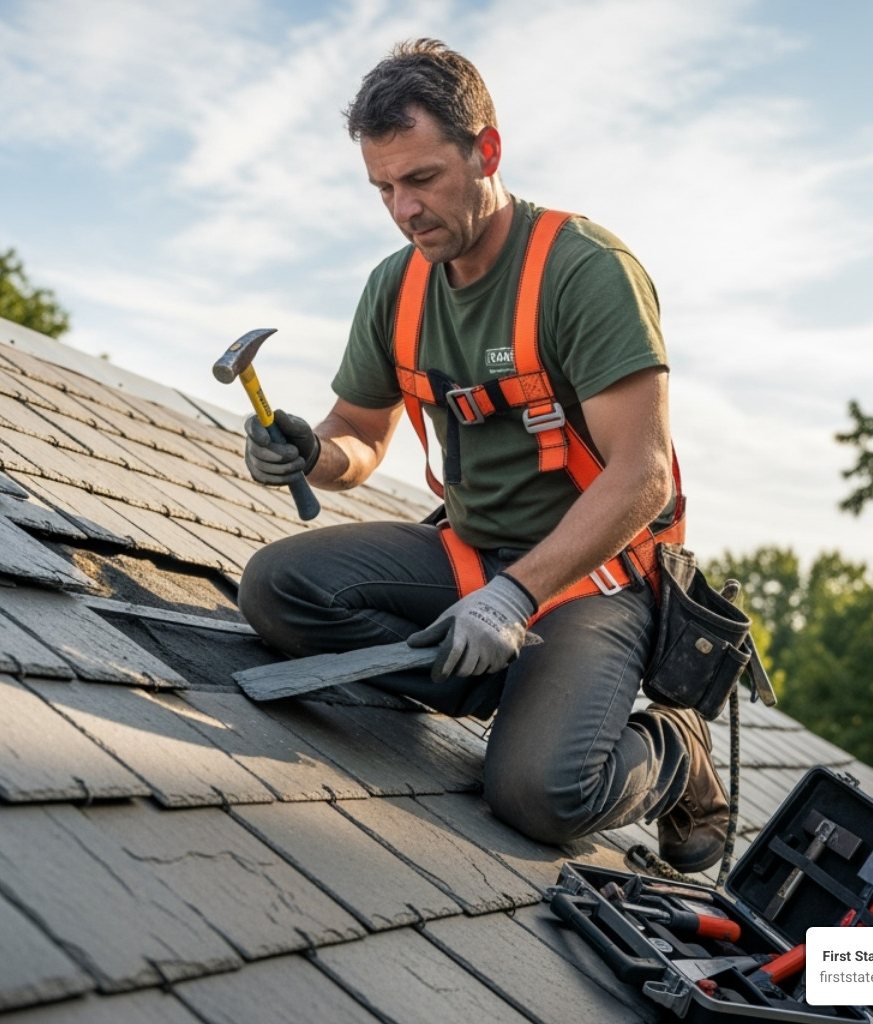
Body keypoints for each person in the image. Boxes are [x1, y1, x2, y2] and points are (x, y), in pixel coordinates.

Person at [237, 39, 728, 871]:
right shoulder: (397, 286)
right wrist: (311, 453)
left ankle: (672, 750)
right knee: (276, 591)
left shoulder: (584, 272)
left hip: (591, 576)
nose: (404, 210)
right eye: (384, 188)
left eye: (422, 179)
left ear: (486, 150)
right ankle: (532, 692)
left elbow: (640, 477)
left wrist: (513, 599)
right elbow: (360, 434)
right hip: (467, 559)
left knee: (541, 796)